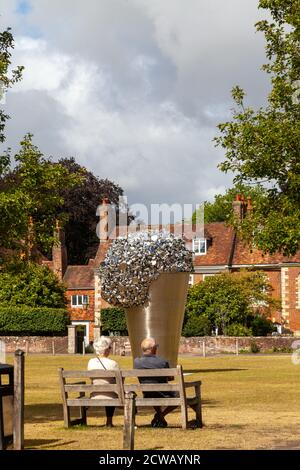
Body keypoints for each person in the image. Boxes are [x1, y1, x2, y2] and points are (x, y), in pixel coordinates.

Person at [134, 337, 178, 428]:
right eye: (156, 346)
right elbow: (170, 377)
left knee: (153, 390)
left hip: (147, 393)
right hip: (163, 393)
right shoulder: (162, 362)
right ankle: (161, 415)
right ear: (153, 348)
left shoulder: (136, 362)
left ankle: (159, 415)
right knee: (179, 396)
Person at [87, 336, 119, 427]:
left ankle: (109, 422)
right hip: (111, 395)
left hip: (95, 394)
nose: (110, 349)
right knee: (112, 392)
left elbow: (91, 378)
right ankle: (109, 422)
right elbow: (119, 381)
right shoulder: (113, 363)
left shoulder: (91, 362)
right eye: (109, 347)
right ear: (105, 349)